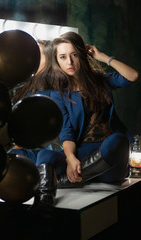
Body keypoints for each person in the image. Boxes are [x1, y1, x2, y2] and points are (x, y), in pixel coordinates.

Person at [34, 31, 139, 207]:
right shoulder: (58, 93)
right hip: (81, 156)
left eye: (74, 55)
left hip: (110, 161)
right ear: (57, 61)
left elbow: (132, 76)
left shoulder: (100, 81)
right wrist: (70, 159)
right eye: (63, 57)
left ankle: (69, 180)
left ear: (82, 55)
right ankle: (43, 204)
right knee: (45, 155)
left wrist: (103, 57)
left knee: (118, 140)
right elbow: (66, 131)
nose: (69, 62)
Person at [9, 40, 54, 163]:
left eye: (39, 55)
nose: (33, 58)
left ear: (49, 59)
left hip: (34, 150)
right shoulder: (23, 85)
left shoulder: (52, 91)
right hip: (16, 145)